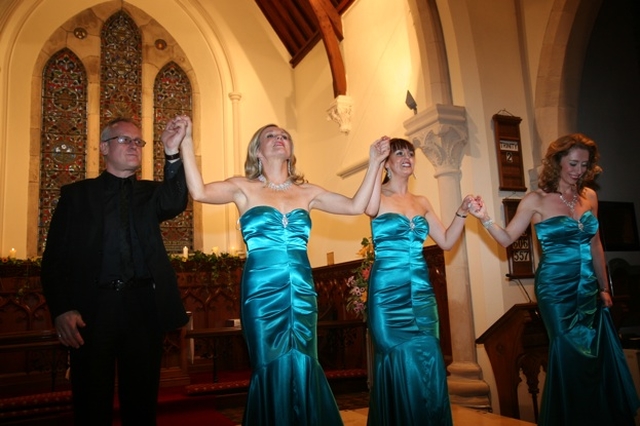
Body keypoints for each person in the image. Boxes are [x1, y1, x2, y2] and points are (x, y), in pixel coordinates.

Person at [177, 118, 389, 425]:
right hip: (261, 290)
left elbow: (357, 206)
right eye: (270, 136)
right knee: (269, 361)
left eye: (284, 136)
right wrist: (186, 141)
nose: (279, 138)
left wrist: (374, 162)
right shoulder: (243, 187)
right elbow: (198, 191)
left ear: (290, 151)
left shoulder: (308, 192)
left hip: (302, 288)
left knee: (305, 358)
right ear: (258, 152)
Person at [468, 133, 640, 425]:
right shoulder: (536, 199)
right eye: (572, 163)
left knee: (594, 355)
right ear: (557, 162)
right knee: (568, 353)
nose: (578, 170)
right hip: (555, 290)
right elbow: (507, 238)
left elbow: (596, 245)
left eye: (584, 165)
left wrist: (604, 288)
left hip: (588, 288)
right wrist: (484, 218)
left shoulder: (590, 197)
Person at [41, 117, 190, 425]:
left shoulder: (151, 194)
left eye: (138, 142)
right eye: (125, 140)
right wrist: (61, 309)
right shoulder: (76, 196)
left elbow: (176, 199)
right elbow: (54, 259)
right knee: (91, 399)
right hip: (92, 309)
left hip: (142, 308)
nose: (133, 146)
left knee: (141, 400)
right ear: (104, 147)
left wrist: (172, 151)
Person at [363, 137, 475, 425]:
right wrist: (374, 162)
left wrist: (462, 212)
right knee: (400, 359)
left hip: (422, 293)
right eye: (399, 153)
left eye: (411, 154)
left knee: (428, 357)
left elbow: (447, 241)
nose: (407, 158)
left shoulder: (422, 202)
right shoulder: (377, 195)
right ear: (388, 162)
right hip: (387, 293)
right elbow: (367, 208)